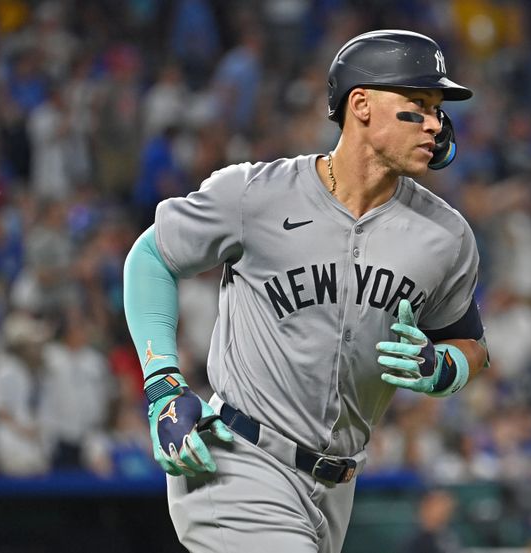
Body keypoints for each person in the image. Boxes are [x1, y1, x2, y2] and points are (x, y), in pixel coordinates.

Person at [123, 29, 489, 553]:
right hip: (239, 460)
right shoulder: (255, 195)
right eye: (418, 104)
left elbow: (471, 345)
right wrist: (162, 384)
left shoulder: (445, 235)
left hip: (336, 488)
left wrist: (442, 368)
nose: (435, 123)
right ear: (361, 104)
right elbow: (152, 256)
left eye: (437, 109)